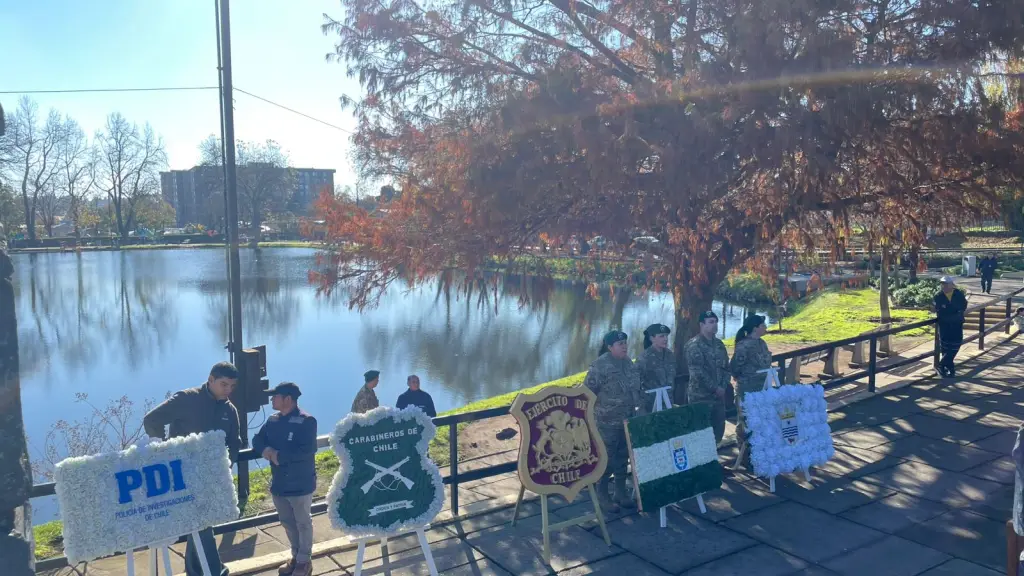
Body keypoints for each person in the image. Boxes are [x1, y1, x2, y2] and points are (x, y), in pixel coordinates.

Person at [143, 362, 242, 576]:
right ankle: (215, 571)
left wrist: (228, 462)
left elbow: (235, 442)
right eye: (223, 384)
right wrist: (163, 452)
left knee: (199, 525)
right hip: (182, 475)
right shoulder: (187, 398)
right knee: (202, 524)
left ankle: (196, 571)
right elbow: (152, 420)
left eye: (232, 386)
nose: (228, 390)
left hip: (212, 477)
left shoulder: (230, 410)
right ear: (210, 379)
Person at [252, 383, 317, 576]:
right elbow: (257, 440)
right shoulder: (272, 420)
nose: (272, 400)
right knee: (288, 522)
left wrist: (279, 456)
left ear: (288, 399)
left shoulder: (307, 421)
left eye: (275, 396)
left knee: (303, 523)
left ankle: (305, 561)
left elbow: (307, 450)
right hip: (279, 484)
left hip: (300, 483)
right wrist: (266, 451)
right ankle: (296, 556)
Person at [583, 330, 643, 513]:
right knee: (606, 458)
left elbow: (635, 389)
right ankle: (602, 494)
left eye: (625, 342)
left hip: (626, 420)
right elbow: (587, 393)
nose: (624, 346)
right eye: (620, 344)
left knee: (622, 457)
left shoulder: (628, 364)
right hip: (606, 422)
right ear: (610, 347)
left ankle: (620, 492)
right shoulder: (600, 366)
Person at [729, 315, 772, 470]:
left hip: (762, 391)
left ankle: (758, 455)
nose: (766, 327)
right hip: (747, 391)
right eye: (763, 325)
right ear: (755, 327)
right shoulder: (743, 346)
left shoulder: (762, 344)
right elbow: (734, 368)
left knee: (761, 423)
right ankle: (745, 459)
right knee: (745, 424)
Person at [685, 310, 731, 444]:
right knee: (700, 436)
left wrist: (722, 387)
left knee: (717, 435)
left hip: (718, 399)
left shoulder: (719, 345)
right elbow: (697, 372)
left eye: (716, 322)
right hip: (701, 398)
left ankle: (715, 461)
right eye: (711, 322)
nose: (715, 325)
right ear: (701, 324)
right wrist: (715, 388)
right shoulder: (693, 345)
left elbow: (726, 368)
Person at [635, 323, 675, 413]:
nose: (665, 339)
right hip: (651, 406)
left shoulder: (670, 355)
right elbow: (635, 383)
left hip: (668, 402)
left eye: (666, 336)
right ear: (652, 338)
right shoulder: (644, 358)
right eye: (661, 336)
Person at [934, 276, 967, 377]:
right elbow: (938, 308)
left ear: (951, 285)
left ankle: (941, 364)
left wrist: (955, 311)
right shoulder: (938, 296)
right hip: (945, 324)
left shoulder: (958, 294)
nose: (944, 286)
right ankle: (948, 368)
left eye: (946, 284)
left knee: (956, 343)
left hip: (957, 323)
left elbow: (963, 305)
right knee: (945, 346)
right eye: (942, 284)